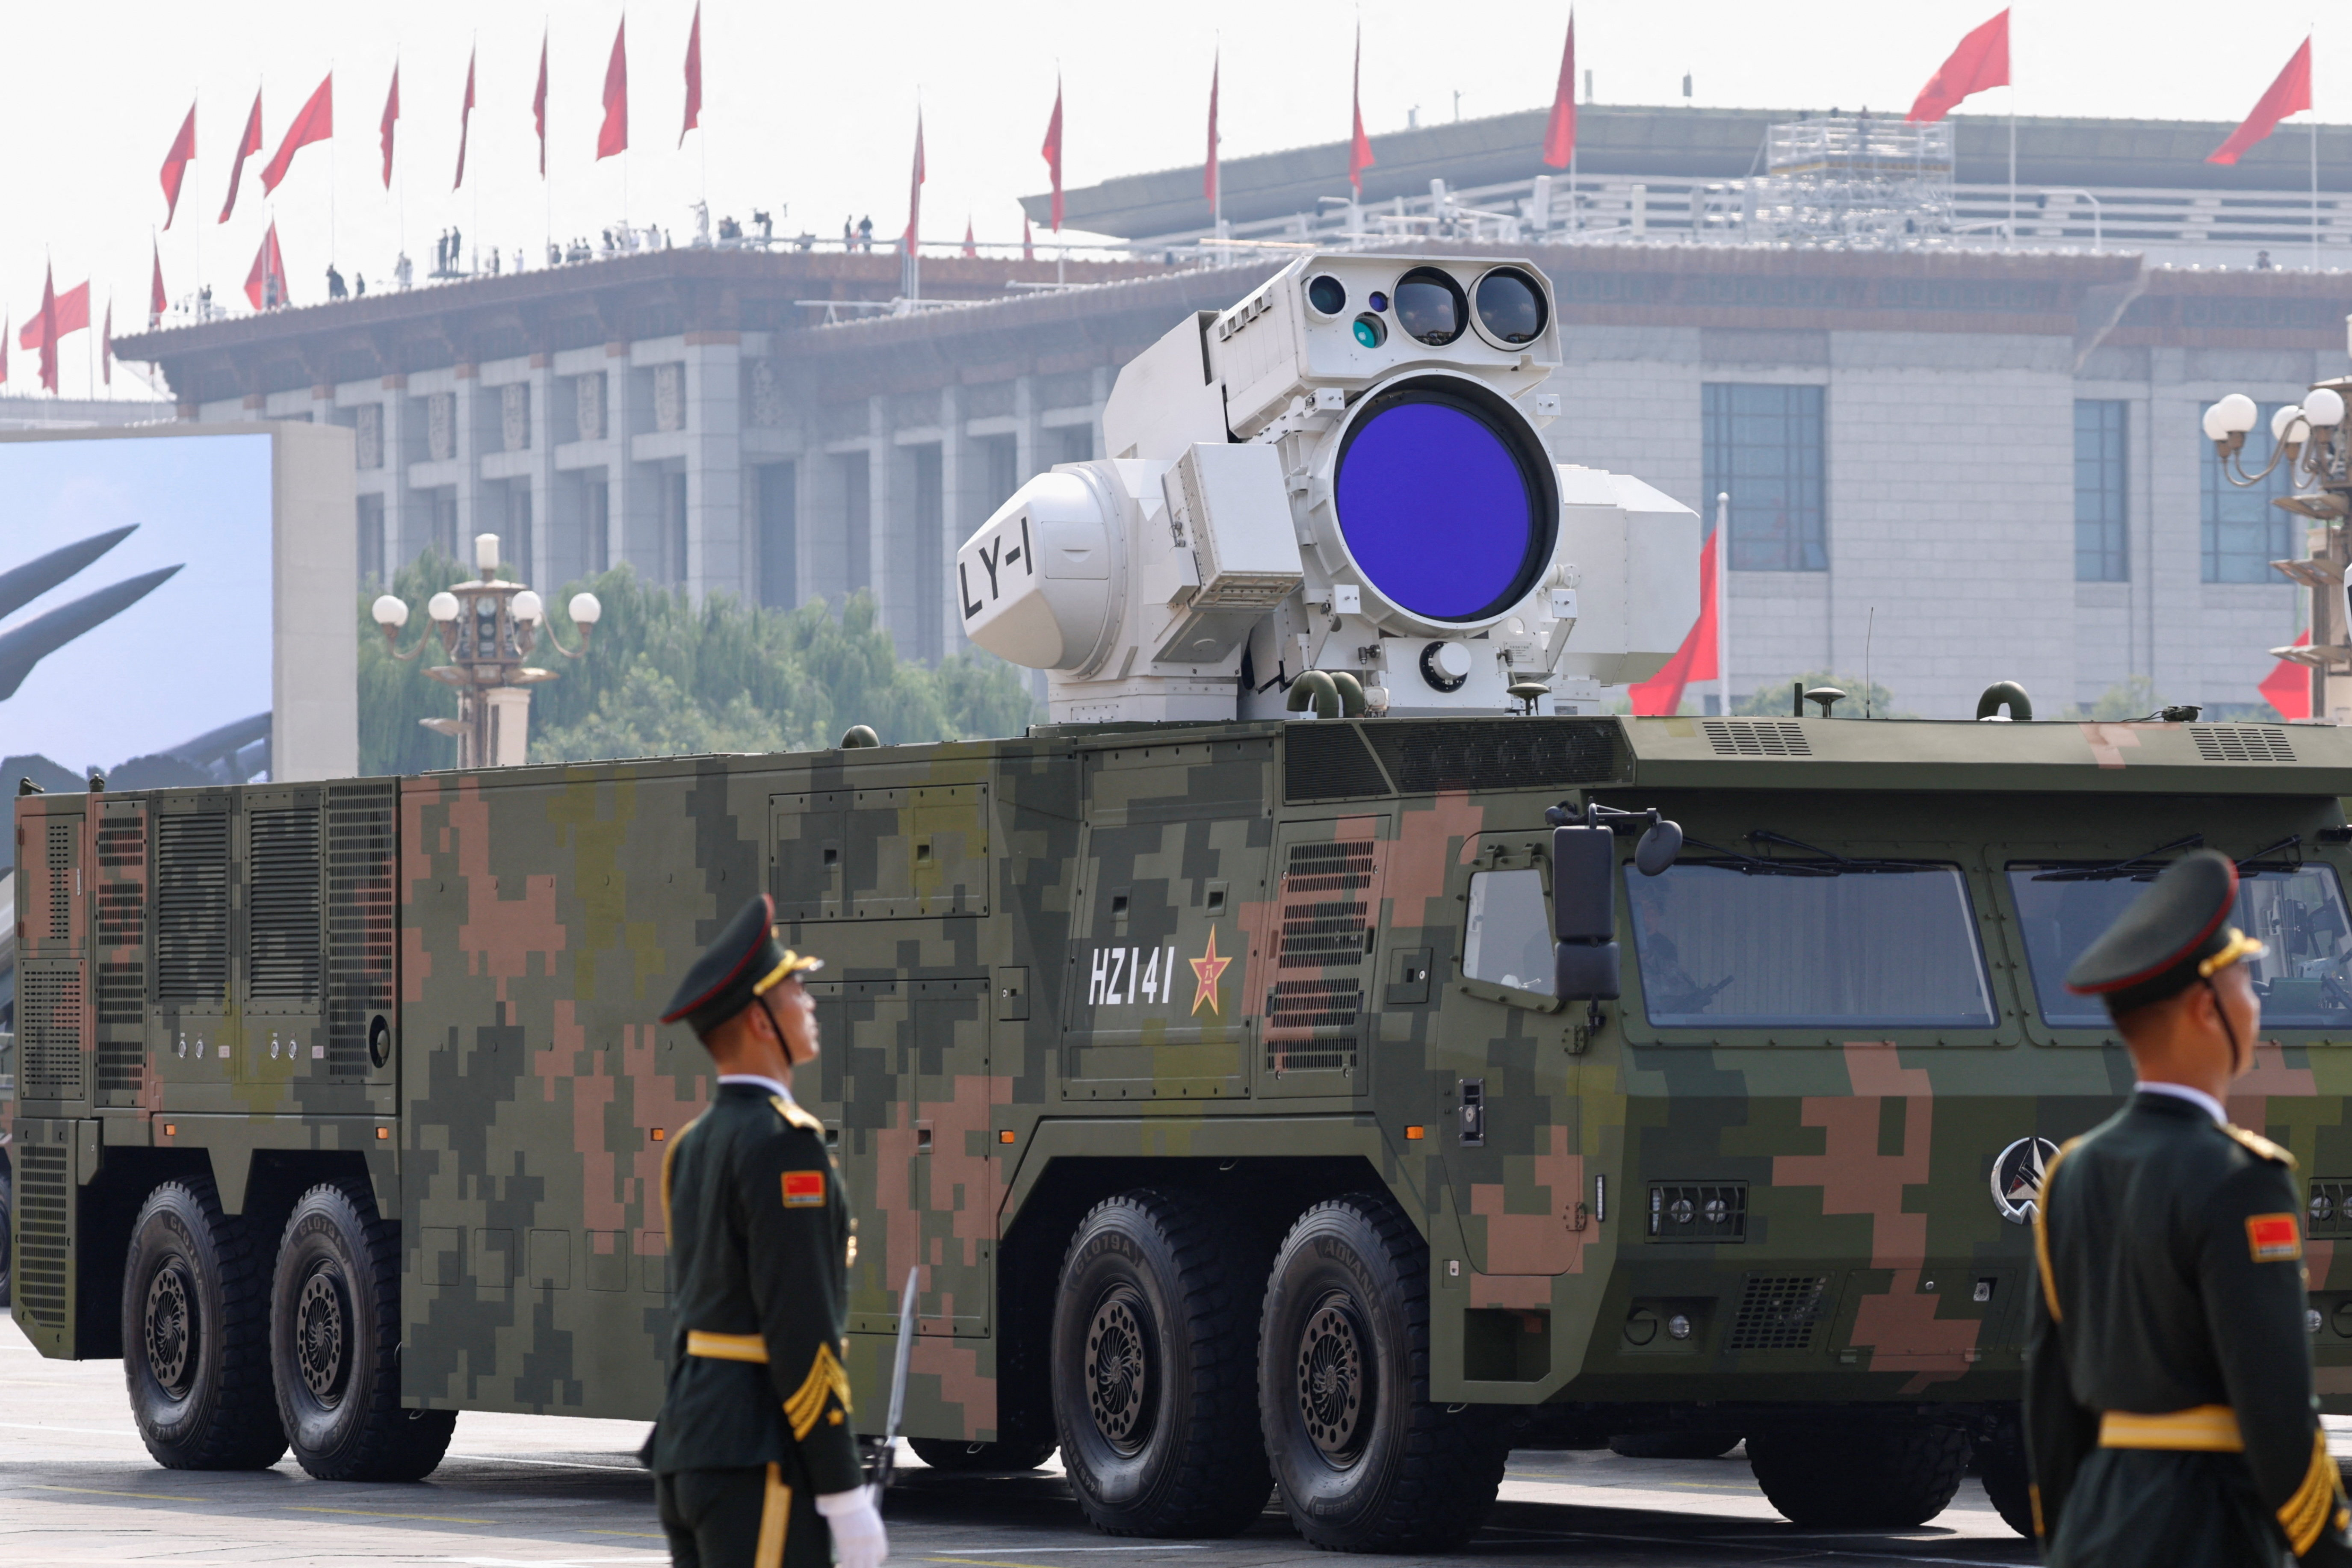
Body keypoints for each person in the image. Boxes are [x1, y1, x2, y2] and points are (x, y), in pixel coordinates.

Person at [2027, 848, 2352, 1567]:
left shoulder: (2070, 1175)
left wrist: (2067, 1542)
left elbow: (2050, 1405)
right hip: (2212, 1530)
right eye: (2246, 980)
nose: (2255, 1004)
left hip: (2098, 1532)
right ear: (2209, 1008)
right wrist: (2326, 1549)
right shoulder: (2243, 1178)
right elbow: (2274, 1407)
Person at [641, 893, 887, 1568]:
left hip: (691, 1447)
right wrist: (842, 1488)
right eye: (793, 988)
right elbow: (801, 1327)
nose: (808, 1000)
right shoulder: (784, 1146)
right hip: (758, 1457)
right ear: (758, 1019)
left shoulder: (692, 1144)